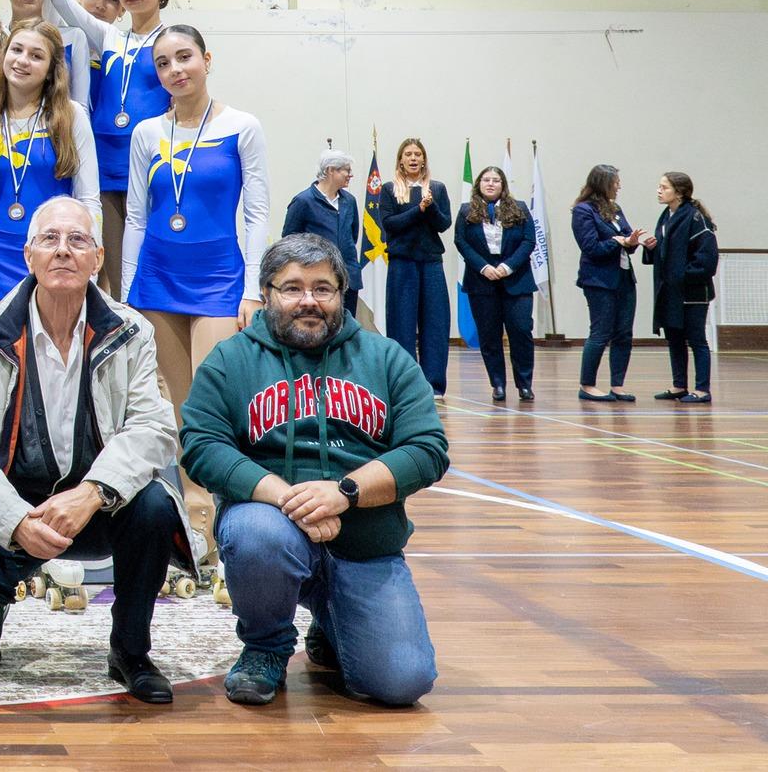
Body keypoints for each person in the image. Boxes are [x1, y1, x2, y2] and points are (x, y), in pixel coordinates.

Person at [0, 197, 196, 702]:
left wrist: (93, 492)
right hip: (10, 505)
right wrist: (14, 520)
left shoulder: (131, 330)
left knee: (156, 507)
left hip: (97, 505)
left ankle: (131, 650)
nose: (63, 251)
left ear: (97, 258)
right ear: (28, 255)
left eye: (77, 241)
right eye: (50, 239)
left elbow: (154, 427)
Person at [182, 235, 448, 709]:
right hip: (272, 525)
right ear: (267, 294)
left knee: (402, 682)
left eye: (323, 288)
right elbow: (201, 446)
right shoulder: (231, 358)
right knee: (257, 533)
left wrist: (345, 492)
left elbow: (428, 449)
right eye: (292, 288)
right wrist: (290, 498)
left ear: (342, 294)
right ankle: (266, 647)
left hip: (365, 543)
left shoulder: (385, 358)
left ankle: (331, 621)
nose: (309, 300)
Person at [122, 25, 267, 555]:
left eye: (184, 57)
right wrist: (130, 293)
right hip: (157, 278)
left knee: (213, 404)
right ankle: (194, 525)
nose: (175, 70)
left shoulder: (241, 126)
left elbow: (256, 212)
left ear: (207, 59)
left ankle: (226, 517)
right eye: (163, 63)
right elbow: (136, 216)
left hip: (219, 279)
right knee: (177, 407)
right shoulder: (146, 133)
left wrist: (252, 288)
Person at [37, 0, 176, 299]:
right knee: (113, 271)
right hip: (106, 167)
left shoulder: (172, 40)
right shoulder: (108, 35)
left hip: (153, 164)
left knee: (154, 260)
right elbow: (62, 0)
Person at [0, 20, 99, 331]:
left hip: (55, 254)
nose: (22, 60)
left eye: (36, 55)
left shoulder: (71, 117)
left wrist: (89, 270)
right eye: (16, 50)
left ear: (51, 69)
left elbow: (88, 201)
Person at [375, 138, 453, 397]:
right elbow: (390, 224)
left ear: (424, 159)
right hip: (402, 263)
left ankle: (434, 384)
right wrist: (418, 209)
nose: (413, 158)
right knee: (402, 323)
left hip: (431, 262)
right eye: (408, 154)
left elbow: (443, 224)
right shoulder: (389, 189)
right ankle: (406, 384)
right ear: (400, 159)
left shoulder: (437, 189)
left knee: (435, 323)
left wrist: (429, 208)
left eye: (418, 154)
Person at [452, 167, 537, 403]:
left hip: (516, 281)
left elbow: (529, 241)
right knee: (489, 336)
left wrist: (508, 266)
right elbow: (461, 241)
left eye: (496, 180)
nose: (490, 184)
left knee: (521, 332)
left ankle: (525, 384)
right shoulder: (466, 211)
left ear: (503, 185)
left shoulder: (519, 208)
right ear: (479, 184)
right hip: (482, 282)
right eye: (486, 180)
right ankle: (498, 384)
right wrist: (483, 267)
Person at [643, 171, 718, 404]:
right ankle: (679, 386)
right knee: (674, 337)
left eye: (664, 187)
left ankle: (703, 389)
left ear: (680, 192)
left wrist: (682, 276)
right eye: (659, 186)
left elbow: (706, 259)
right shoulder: (666, 216)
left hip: (692, 292)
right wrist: (652, 248)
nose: (659, 190)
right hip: (671, 291)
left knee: (696, 339)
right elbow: (667, 253)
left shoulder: (696, 218)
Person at [572, 163, 643, 403]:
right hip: (598, 280)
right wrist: (618, 241)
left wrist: (633, 241)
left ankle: (618, 384)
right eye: (615, 182)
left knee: (624, 333)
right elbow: (591, 247)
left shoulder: (615, 208)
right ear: (603, 184)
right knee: (600, 333)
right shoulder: (583, 210)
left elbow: (627, 237)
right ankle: (588, 384)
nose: (619, 186)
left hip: (623, 278)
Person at [280, 151, 365, 315]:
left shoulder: (349, 201)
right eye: (346, 170)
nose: (351, 175)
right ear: (330, 170)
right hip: (318, 279)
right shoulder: (303, 201)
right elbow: (289, 241)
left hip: (349, 278)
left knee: (347, 326)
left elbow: (352, 236)